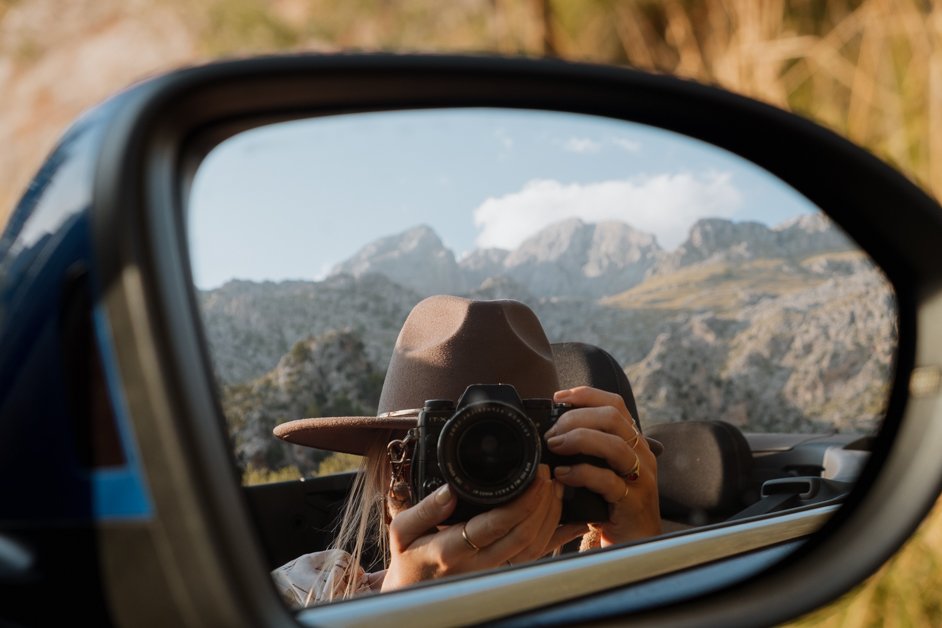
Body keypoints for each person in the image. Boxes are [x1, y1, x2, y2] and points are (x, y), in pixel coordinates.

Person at [270, 295, 662, 608]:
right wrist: (398, 608)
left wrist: (635, 560)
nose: (483, 470)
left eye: (512, 451)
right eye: (444, 449)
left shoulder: (595, 594)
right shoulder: (306, 592)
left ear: (562, 458)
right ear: (388, 475)